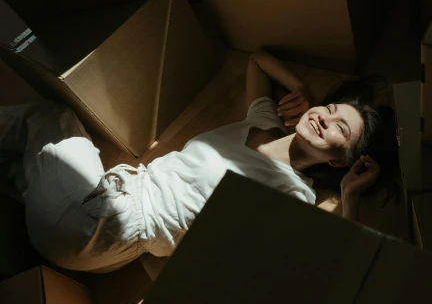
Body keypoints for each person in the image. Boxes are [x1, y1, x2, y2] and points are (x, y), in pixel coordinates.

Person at [0, 50, 398, 273]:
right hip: (92, 240)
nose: (324, 117)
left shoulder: (292, 193)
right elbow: (256, 60)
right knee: (21, 166)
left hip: (101, 223)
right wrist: (298, 87)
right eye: (330, 108)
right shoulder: (263, 121)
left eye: (338, 130)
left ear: (339, 161)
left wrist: (350, 196)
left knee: (54, 118)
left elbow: (340, 263)